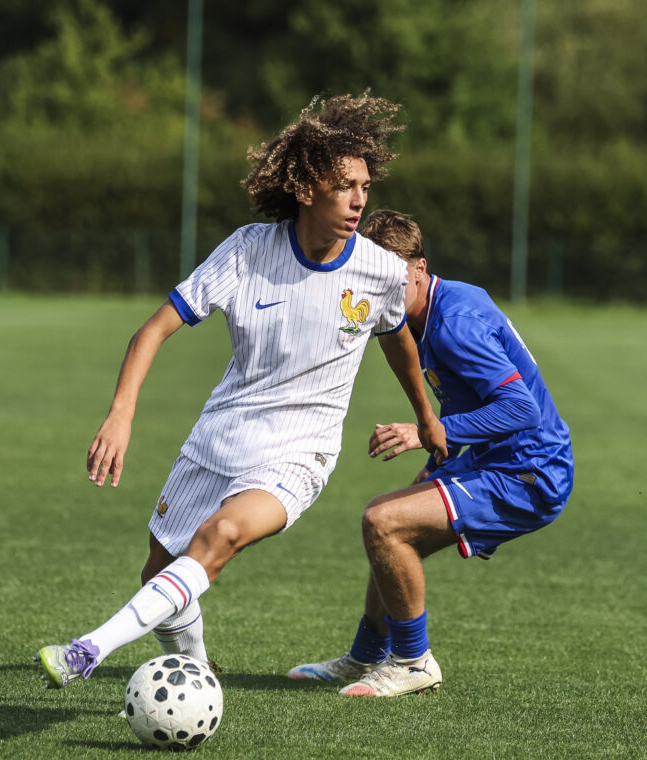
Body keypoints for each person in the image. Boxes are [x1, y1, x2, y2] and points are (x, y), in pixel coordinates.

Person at [34, 94, 448, 688]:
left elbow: (396, 340)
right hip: (220, 435)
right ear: (306, 190)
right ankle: (197, 671)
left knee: (219, 537)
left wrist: (424, 415)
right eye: (344, 185)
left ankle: (87, 650)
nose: (359, 199)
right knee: (160, 572)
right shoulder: (249, 250)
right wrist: (120, 414)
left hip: (300, 449)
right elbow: (152, 330)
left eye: (364, 185)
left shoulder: (380, 269)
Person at [287, 209, 574, 696]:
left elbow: (521, 409)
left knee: (384, 524)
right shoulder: (437, 307)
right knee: (387, 519)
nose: (382, 293)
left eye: (391, 279)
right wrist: (440, 457)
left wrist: (428, 431)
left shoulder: (453, 324)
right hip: (495, 459)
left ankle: (414, 662)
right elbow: (471, 396)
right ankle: (366, 656)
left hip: (528, 471)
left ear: (419, 268)